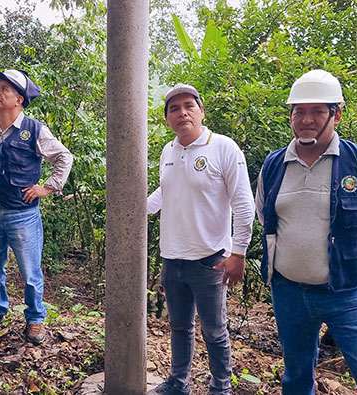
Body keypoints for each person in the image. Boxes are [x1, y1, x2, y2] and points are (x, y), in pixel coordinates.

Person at [255, 69, 357, 394]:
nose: (306, 119)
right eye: (299, 111)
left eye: (317, 111)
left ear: (336, 114)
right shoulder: (273, 166)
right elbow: (265, 216)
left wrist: (354, 254)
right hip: (289, 293)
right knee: (296, 378)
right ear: (291, 115)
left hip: (348, 293)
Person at [147, 84, 255, 395]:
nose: (182, 112)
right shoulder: (169, 151)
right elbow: (166, 191)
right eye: (174, 108)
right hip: (172, 257)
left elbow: (243, 204)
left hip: (210, 260)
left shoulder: (223, 148)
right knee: (180, 328)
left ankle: (220, 388)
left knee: (215, 331)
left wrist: (239, 253)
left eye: (188, 106)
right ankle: (178, 384)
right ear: (168, 119)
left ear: (201, 111)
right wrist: (138, 209)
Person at [0, 69, 73, 344]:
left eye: (4, 89)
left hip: (22, 214)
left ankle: (35, 320)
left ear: (19, 99)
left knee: (29, 270)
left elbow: (64, 157)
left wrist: (46, 188)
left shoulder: (34, 130)